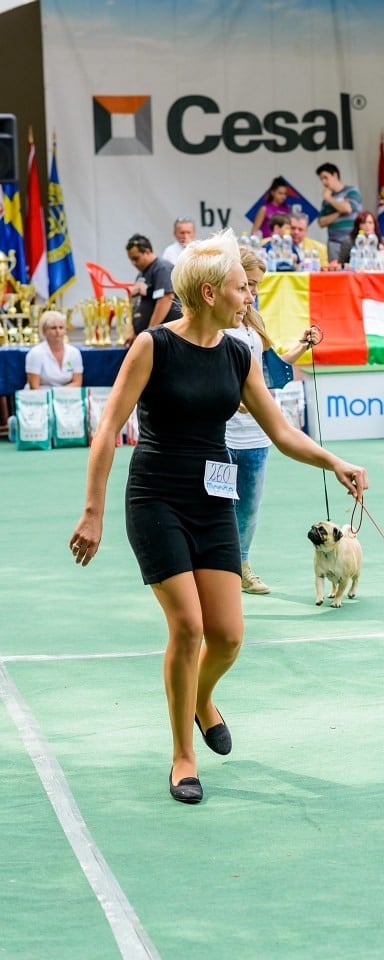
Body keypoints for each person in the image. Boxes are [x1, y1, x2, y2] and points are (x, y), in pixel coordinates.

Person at [69, 229, 367, 805]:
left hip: (212, 502)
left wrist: (334, 461)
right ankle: (183, 755)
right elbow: (108, 429)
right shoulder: (153, 346)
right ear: (209, 293)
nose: (249, 296)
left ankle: (202, 698)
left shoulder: (239, 353)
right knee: (188, 628)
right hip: (156, 497)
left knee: (228, 637)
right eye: (240, 287)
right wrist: (92, 512)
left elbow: (281, 433)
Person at [226, 246, 321, 594]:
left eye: (256, 287)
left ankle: (242, 566)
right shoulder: (220, 321)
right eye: (247, 285)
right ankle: (214, 572)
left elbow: (271, 371)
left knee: (248, 511)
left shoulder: (255, 321)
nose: (252, 294)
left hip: (256, 434)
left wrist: (301, 347)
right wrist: (235, 401)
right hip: (220, 435)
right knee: (219, 508)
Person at [126, 234, 182, 342]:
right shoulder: (141, 274)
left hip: (166, 337)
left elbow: (165, 299)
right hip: (151, 337)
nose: (133, 263)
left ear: (147, 251)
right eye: (131, 259)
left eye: (136, 258)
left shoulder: (162, 268)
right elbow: (139, 305)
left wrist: (149, 332)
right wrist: (134, 332)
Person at [316, 162, 362, 262]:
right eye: (321, 179)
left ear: (335, 175)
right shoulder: (325, 202)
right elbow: (321, 222)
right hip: (334, 242)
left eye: (325, 177)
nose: (324, 182)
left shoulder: (351, 191)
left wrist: (329, 199)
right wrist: (339, 212)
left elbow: (348, 209)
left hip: (352, 240)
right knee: (335, 273)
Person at [25, 310, 83, 388]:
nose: (58, 331)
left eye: (61, 328)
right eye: (53, 328)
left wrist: (60, 394)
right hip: (41, 396)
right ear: (44, 331)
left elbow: (77, 382)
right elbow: (34, 387)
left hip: (66, 395)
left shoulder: (74, 352)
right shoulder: (35, 353)